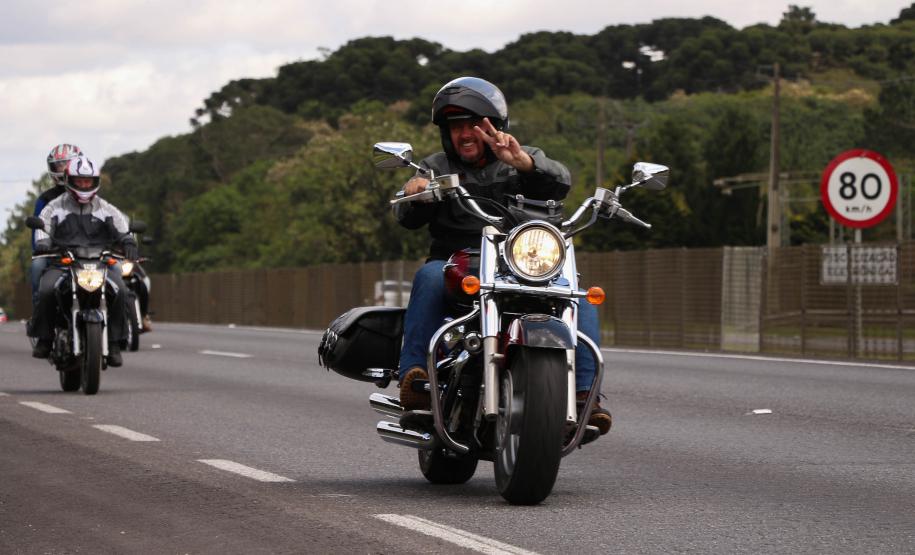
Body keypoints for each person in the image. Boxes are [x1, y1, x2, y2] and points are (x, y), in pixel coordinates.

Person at [393, 76, 611, 434]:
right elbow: (407, 216)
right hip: (460, 266)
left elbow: (559, 182)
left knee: (578, 295)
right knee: (429, 275)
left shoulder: (522, 158)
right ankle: (415, 377)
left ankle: (586, 395)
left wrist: (522, 161)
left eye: (475, 125)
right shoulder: (434, 167)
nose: (465, 134)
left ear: (495, 125)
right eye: (456, 127)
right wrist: (415, 191)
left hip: (521, 265)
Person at [29, 156, 137, 367]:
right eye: (79, 181)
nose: (84, 185)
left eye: (88, 181)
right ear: (69, 180)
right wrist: (43, 243)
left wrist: (129, 242)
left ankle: (115, 343)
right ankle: (45, 338)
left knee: (122, 291)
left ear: (95, 182)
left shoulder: (106, 208)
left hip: (100, 264)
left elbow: (122, 227)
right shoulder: (54, 207)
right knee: (46, 290)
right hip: (64, 264)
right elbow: (42, 229)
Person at [29, 144, 82, 310]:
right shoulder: (45, 199)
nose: (62, 168)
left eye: (67, 163)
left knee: (118, 270)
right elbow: (37, 229)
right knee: (37, 266)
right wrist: (41, 247)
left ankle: (123, 321)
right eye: (59, 164)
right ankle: (40, 313)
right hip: (55, 252)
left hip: (89, 251)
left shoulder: (90, 193)